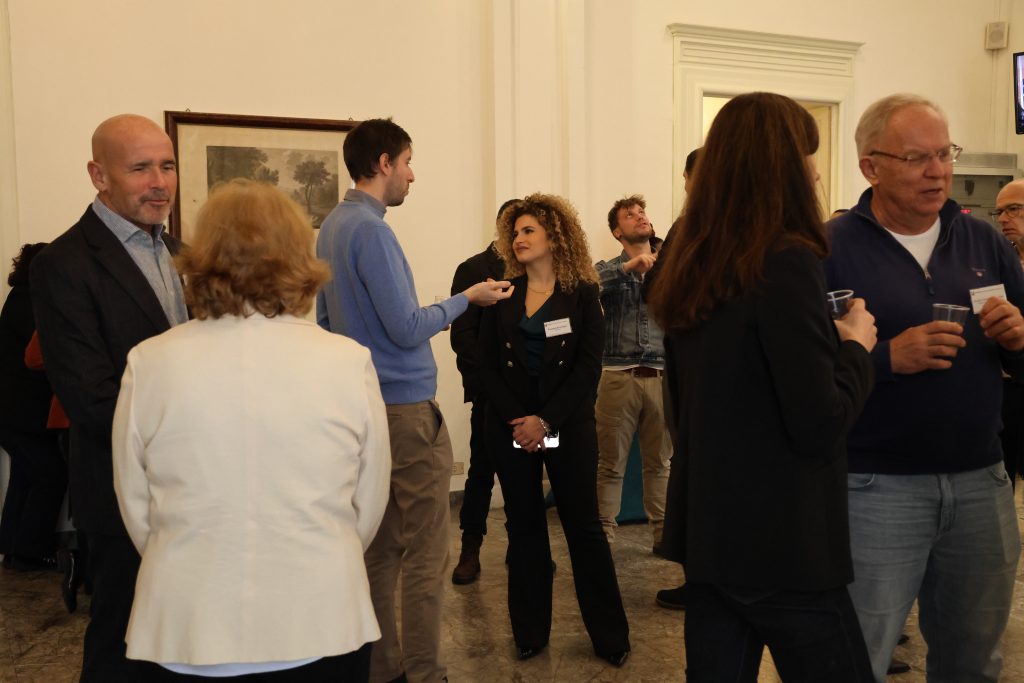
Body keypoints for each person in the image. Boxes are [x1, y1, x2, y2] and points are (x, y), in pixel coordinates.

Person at [110, 179, 390, 682]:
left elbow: (135, 502)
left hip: (188, 622)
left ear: (203, 256)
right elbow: (367, 503)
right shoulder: (347, 362)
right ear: (299, 256)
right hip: (320, 614)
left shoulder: (151, 362)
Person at [648, 92, 877, 681]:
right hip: (783, 542)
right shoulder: (785, 260)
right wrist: (856, 347)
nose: (816, 172)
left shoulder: (693, 261)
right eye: (807, 156)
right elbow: (819, 422)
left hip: (712, 534)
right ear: (779, 167)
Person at [826, 93, 1024, 683]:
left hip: (982, 481)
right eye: (917, 158)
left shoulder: (984, 241)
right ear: (871, 166)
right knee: (855, 657)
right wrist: (888, 358)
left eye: (945, 154)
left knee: (974, 659)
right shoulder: (829, 248)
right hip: (872, 487)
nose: (938, 171)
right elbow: (802, 375)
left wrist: (1018, 338)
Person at [316, 118, 511, 683]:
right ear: (383, 163)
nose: (411, 175)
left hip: (363, 407)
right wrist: (466, 299)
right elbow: (406, 328)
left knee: (379, 550)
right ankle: (425, 673)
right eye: (407, 162)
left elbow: (326, 323)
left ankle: (383, 669)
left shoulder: (331, 227)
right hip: (404, 412)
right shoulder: (372, 232)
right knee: (427, 553)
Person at [31, 114, 187, 682]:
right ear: (99, 176)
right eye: (141, 168)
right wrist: (191, 434)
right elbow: (90, 397)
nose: (159, 183)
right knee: (121, 639)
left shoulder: (179, 251)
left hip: (189, 483)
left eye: (167, 166)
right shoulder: (63, 265)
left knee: (178, 638)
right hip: (122, 485)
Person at [479, 193, 631, 667]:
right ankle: (529, 633)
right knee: (524, 529)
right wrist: (520, 422)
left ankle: (610, 637)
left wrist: (545, 422)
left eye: (528, 230)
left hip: (565, 423)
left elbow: (588, 367)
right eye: (515, 232)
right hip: (511, 426)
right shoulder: (503, 293)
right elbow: (486, 366)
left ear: (555, 236)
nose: (518, 239)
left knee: (583, 529)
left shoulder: (582, 292)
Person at [594, 194, 671, 551]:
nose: (640, 217)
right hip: (618, 375)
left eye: (642, 212)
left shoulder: (670, 267)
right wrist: (628, 267)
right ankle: (603, 536)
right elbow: (587, 286)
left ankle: (664, 536)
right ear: (616, 231)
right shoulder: (608, 268)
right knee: (610, 464)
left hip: (661, 375)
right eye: (630, 215)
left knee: (660, 464)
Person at [449, 199, 517, 585]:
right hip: (490, 396)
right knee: (482, 472)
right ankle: (470, 548)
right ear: (501, 226)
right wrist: (493, 385)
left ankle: (523, 543)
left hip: (533, 398)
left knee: (530, 470)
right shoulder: (473, 269)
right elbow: (463, 338)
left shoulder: (537, 269)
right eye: (515, 225)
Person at [650, 147, 701, 612]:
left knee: (690, 465)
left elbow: (658, 291)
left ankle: (701, 577)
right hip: (702, 366)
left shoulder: (690, 227)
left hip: (694, 367)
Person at [0, 243, 67, 572]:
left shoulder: (20, 298)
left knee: (26, 477)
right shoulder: (32, 301)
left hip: (14, 411)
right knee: (50, 475)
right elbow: (44, 352)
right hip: (21, 411)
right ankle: (31, 550)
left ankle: (14, 549)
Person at [993, 178, 1024, 487]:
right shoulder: (996, 260)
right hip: (1005, 385)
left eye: (1013, 209)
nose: (1003, 219)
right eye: (999, 212)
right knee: (1002, 477)